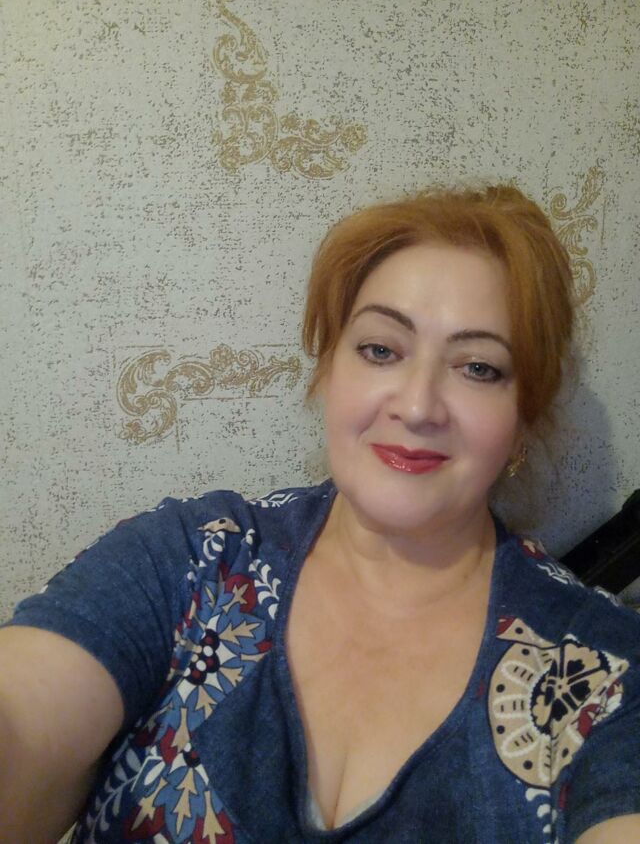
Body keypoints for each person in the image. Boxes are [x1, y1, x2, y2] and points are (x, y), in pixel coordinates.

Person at [1, 184, 639, 844]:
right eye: (381, 350)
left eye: (478, 367)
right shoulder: (189, 561)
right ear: (328, 369)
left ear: (523, 420)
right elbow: (23, 715)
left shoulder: (606, 672)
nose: (417, 405)